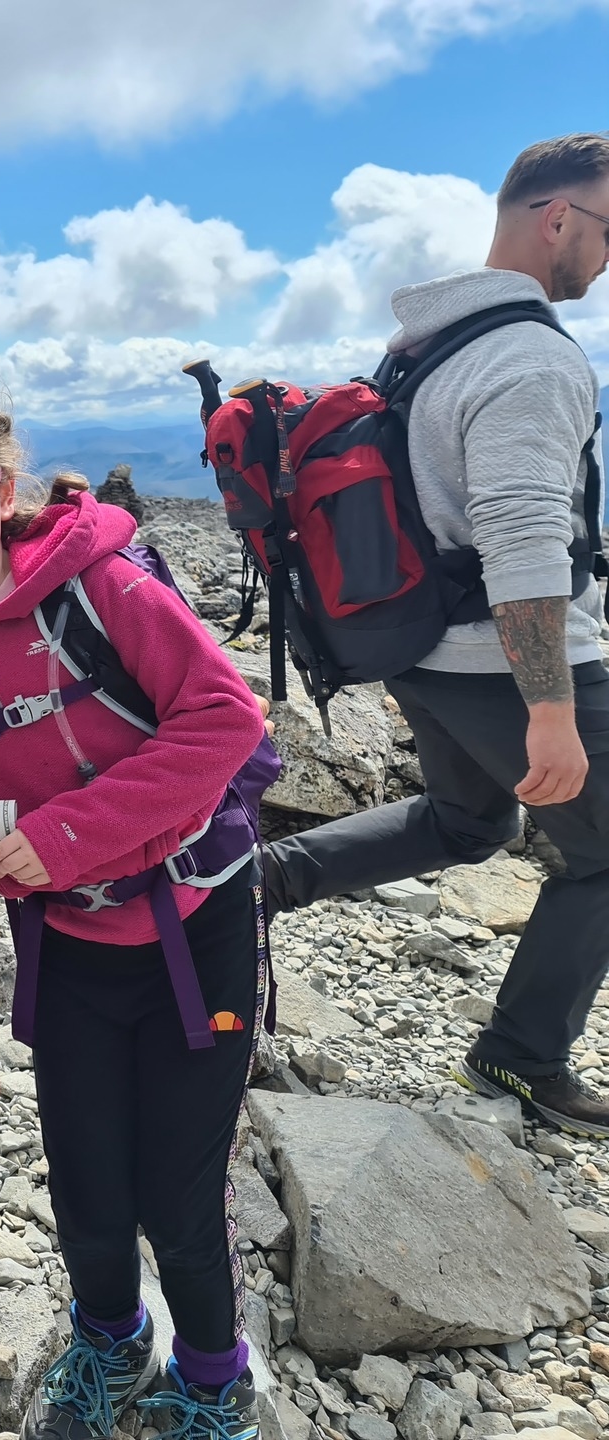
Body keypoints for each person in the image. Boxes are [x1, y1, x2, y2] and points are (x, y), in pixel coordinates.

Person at [0, 365, 270, 1440]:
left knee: (180, 1183)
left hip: (197, 927)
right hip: (69, 939)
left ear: (4, 486)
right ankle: (111, 1341)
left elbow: (225, 720)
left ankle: (217, 1379)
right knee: (83, 1170)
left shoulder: (102, 588)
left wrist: (68, 835)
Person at [265, 132, 609, 1138]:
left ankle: (263, 880)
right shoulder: (534, 358)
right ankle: (523, 1060)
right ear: (559, 219)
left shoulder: (427, 345)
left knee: (473, 823)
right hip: (510, 666)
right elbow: (520, 533)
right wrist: (551, 709)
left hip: (422, 652)